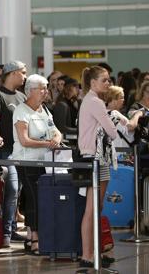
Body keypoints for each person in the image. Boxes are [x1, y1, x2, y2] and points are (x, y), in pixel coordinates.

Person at [11, 74, 62, 255]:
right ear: (30, 91)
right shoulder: (21, 111)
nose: (45, 91)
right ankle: (35, 240)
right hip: (27, 161)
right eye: (41, 88)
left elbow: (55, 131)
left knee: (42, 199)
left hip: (45, 162)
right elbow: (24, 140)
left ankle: (32, 234)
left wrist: (56, 138)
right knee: (34, 198)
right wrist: (48, 143)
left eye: (46, 87)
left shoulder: (45, 110)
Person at [78, 66, 118, 269]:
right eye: (105, 80)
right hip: (95, 157)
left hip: (95, 157)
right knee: (92, 208)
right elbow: (112, 131)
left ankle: (92, 252)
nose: (108, 83)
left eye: (109, 80)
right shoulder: (95, 102)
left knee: (95, 207)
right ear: (93, 83)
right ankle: (87, 254)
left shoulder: (91, 101)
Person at [0, 60, 27, 247]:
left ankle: (10, 229)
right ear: (12, 74)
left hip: (20, 151)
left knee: (16, 191)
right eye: (23, 72)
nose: (25, 76)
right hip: (4, 152)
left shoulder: (21, 96)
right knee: (10, 191)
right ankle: (4, 233)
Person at [52, 77, 80, 142]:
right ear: (69, 88)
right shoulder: (62, 104)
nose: (78, 89)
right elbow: (62, 128)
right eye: (76, 87)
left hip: (72, 140)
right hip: (66, 142)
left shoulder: (71, 102)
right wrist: (79, 130)